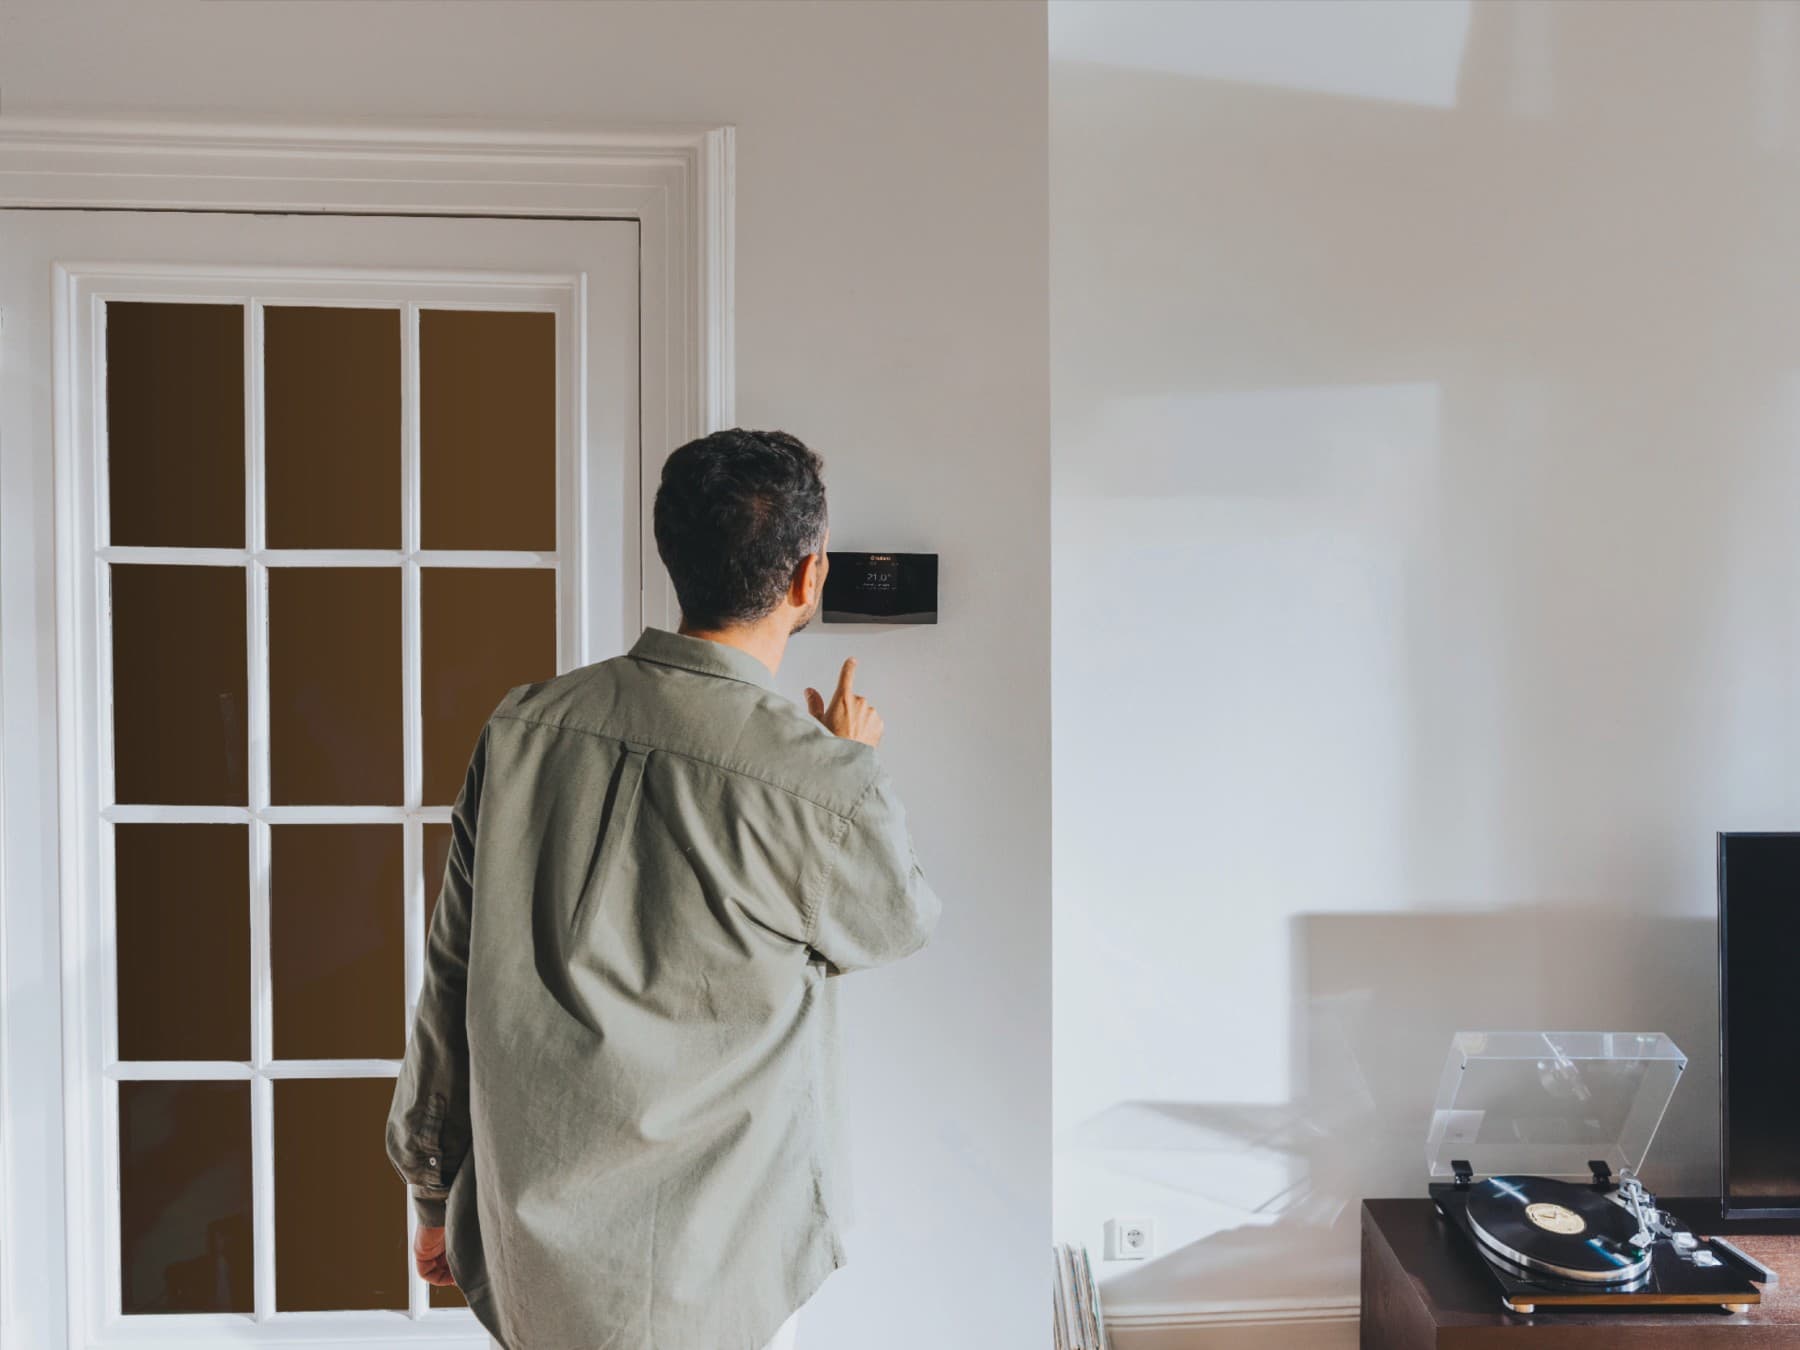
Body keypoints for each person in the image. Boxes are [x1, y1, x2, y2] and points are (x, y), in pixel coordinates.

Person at [385, 428, 941, 1350]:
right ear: (809, 577)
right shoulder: (815, 779)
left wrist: (434, 1186)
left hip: (537, 1249)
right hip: (726, 1262)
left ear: (675, 559)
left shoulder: (523, 728)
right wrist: (849, 763)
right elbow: (895, 922)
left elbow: (451, 970)